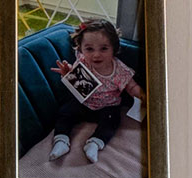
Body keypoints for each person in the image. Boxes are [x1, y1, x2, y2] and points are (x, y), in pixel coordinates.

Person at [47, 17, 139, 166]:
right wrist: (67, 72)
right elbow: (76, 80)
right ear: (81, 49)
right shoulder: (83, 60)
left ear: (114, 49)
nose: (96, 55)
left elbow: (131, 86)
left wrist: (142, 95)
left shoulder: (119, 70)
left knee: (112, 121)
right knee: (65, 112)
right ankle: (61, 140)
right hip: (83, 102)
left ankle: (95, 143)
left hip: (107, 106)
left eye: (104, 48)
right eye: (89, 49)